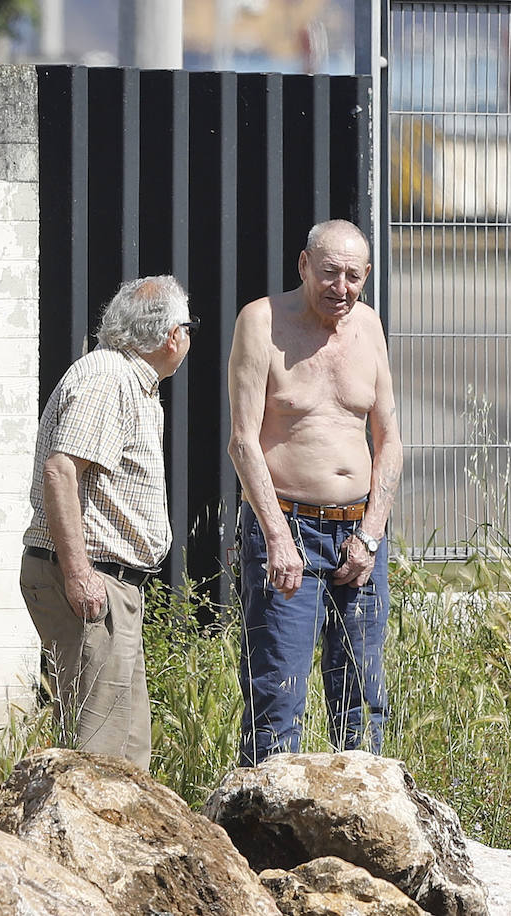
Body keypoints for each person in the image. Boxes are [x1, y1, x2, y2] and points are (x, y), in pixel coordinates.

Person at [227, 219, 402, 766]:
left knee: (362, 698)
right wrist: (277, 538)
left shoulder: (368, 326)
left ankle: (364, 811)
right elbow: (243, 442)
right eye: (329, 273)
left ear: (366, 275)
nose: (340, 288)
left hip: (359, 534)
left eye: (353, 276)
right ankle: (266, 814)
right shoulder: (261, 322)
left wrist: (371, 534)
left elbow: (390, 441)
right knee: (277, 695)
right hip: (288, 527)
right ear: (303, 265)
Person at [20, 275, 194, 770]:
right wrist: (79, 574)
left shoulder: (129, 381)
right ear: (171, 336)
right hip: (92, 580)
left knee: (126, 757)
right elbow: (61, 471)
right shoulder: (108, 379)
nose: (189, 336)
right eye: (188, 326)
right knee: (98, 759)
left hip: (107, 585)